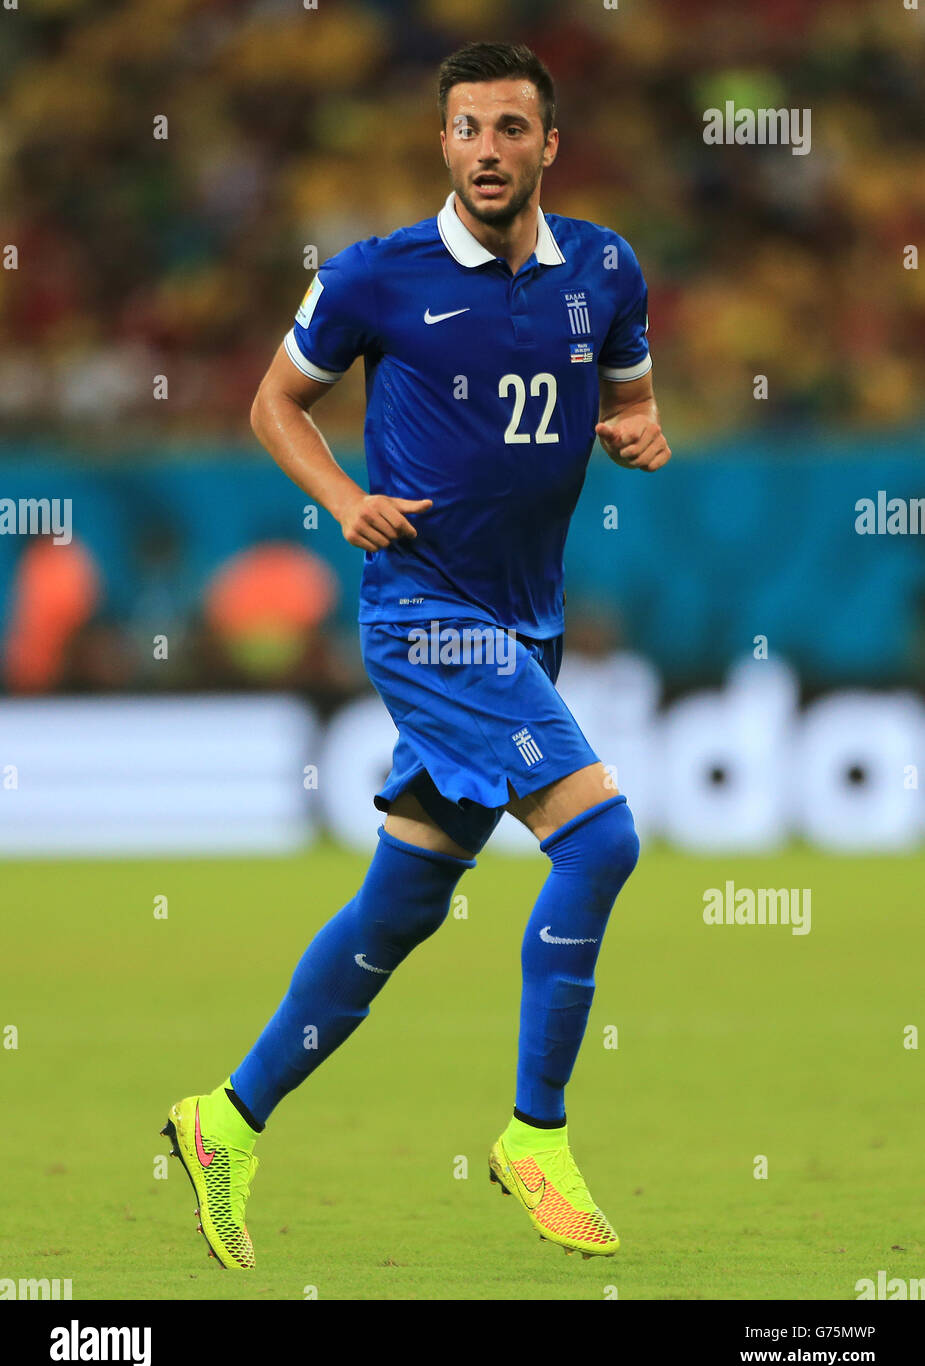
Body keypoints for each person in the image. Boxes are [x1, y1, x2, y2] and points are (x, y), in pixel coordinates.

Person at [162, 40, 670, 1269]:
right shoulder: (375, 277)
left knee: (406, 898)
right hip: (424, 615)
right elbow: (274, 401)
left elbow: (631, 393)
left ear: (549, 145)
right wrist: (341, 498)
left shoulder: (602, 268)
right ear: (439, 143)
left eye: (510, 128)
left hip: (523, 622)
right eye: (465, 129)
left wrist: (643, 427)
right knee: (601, 837)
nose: (487, 150)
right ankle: (533, 1136)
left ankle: (223, 1119)